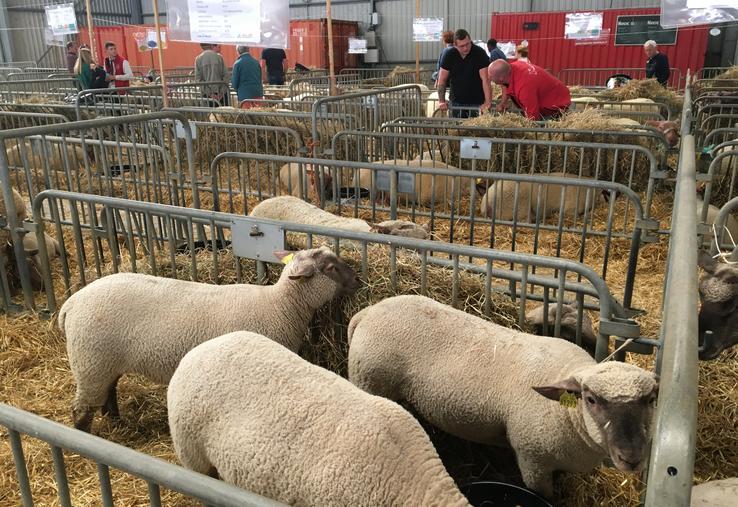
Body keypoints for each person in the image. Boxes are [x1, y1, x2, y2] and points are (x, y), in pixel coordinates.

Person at [488, 59, 570, 120]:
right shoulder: (512, 67)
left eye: (491, 76)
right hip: (554, 93)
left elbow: (533, 116)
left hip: (556, 105)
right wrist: (503, 103)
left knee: (547, 129)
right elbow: (505, 85)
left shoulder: (524, 87)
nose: (489, 78)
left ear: (501, 78)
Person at [437, 29, 492, 118]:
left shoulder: (479, 53)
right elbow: (442, 79)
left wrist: (488, 102)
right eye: (462, 46)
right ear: (455, 45)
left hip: (477, 102)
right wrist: (441, 101)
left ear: (471, 41)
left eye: (467, 44)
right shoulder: (449, 55)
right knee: (457, 130)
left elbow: (485, 79)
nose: (466, 48)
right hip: (456, 102)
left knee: (476, 130)